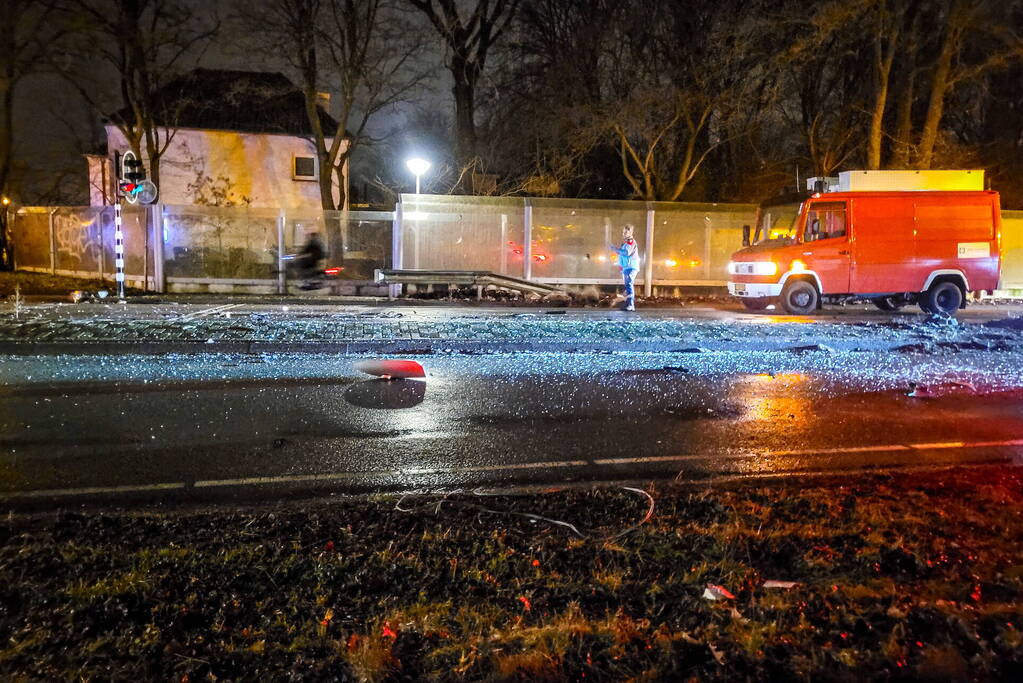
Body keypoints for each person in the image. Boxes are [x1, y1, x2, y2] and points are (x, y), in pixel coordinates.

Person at [610, 224, 640, 311]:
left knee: (629, 284)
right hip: (626, 267)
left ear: (631, 232)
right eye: (623, 232)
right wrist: (621, 266)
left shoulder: (630, 241)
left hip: (631, 266)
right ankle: (627, 303)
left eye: (626, 232)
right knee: (628, 285)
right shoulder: (625, 242)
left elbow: (626, 253)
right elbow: (622, 256)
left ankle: (630, 304)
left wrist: (615, 249)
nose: (624, 233)